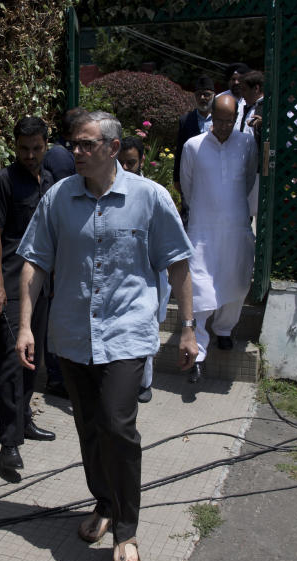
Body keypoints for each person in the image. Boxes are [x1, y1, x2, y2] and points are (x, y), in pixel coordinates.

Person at [14, 111, 198, 561]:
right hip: (73, 334)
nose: (75, 152)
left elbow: (177, 265)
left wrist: (189, 327)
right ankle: (104, 502)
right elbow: (34, 263)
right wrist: (25, 326)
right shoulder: (58, 198)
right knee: (89, 428)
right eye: (73, 144)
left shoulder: (150, 198)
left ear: (112, 149)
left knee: (118, 425)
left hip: (127, 332)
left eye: (85, 145)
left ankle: (127, 531)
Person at [0, 116, 56, 472]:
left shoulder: (51, 181)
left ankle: (24, 419)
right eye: (23, 148)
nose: (29, 155)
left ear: (46, 145)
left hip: (41, 286)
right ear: (15, 146)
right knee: (12, 364)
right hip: (12, 285)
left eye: (36, 148)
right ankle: (8, 444)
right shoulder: (2, 181)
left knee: (32, 359)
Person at [179, 94, 258, 383]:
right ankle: (197, 351)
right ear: (211, 116)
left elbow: (249, 179)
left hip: (235, 225)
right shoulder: (194, 146)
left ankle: (224, 329)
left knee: (235, 281)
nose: (224, 127)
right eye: (219, 120)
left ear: (236, 118)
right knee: (199, 287)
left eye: (229, 121)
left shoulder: (247, 143)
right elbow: (187, 184)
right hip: (203, 227)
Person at [118, 136, 171, 404]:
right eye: (122, 163)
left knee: (147, 325)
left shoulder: (155, 193)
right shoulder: (108, 194)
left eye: (132, 163)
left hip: (151, 272)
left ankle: (144, 383)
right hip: (123, 275)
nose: (126, 169)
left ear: (141, 162)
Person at [40, 107, 87, 398]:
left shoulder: (65, 155)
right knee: (58, 316)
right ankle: (57, 376)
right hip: (59, 248)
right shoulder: (60, 157)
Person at [173, 75, 216, 227]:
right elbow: (179, 151)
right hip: (191, 174)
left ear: (213, 96)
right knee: (188, 213)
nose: (203, 98)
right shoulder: (185, 120)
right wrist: (176, 178)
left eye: (207, 94)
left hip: (214, 175)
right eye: (199, 95)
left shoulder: (220, 120)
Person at [217, 63, 250, 131]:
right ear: (228, 81)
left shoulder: (252, 98)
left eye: (240, 79)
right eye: (233, 79)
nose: (236, 82)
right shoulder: (219, 99)